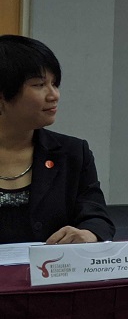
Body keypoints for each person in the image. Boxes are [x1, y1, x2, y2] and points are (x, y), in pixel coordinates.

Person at [0, 35, 115, 244]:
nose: (54, 95)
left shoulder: (72, 152)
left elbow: (97, 217)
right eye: (39, 85)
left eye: (54, 84)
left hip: (52, 273)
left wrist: (88, 234)